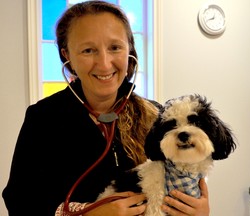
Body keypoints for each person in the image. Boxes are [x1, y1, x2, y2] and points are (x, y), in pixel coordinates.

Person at [2, 1, 210, 216]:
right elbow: (20, 203)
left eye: (115, 47)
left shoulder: (158, 116)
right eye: (88, 50)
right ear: (67, 56)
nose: (104, 63)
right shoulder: (43, 118)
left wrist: (200, 211)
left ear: (129, 48)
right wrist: (88, 213)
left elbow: (186, 179)